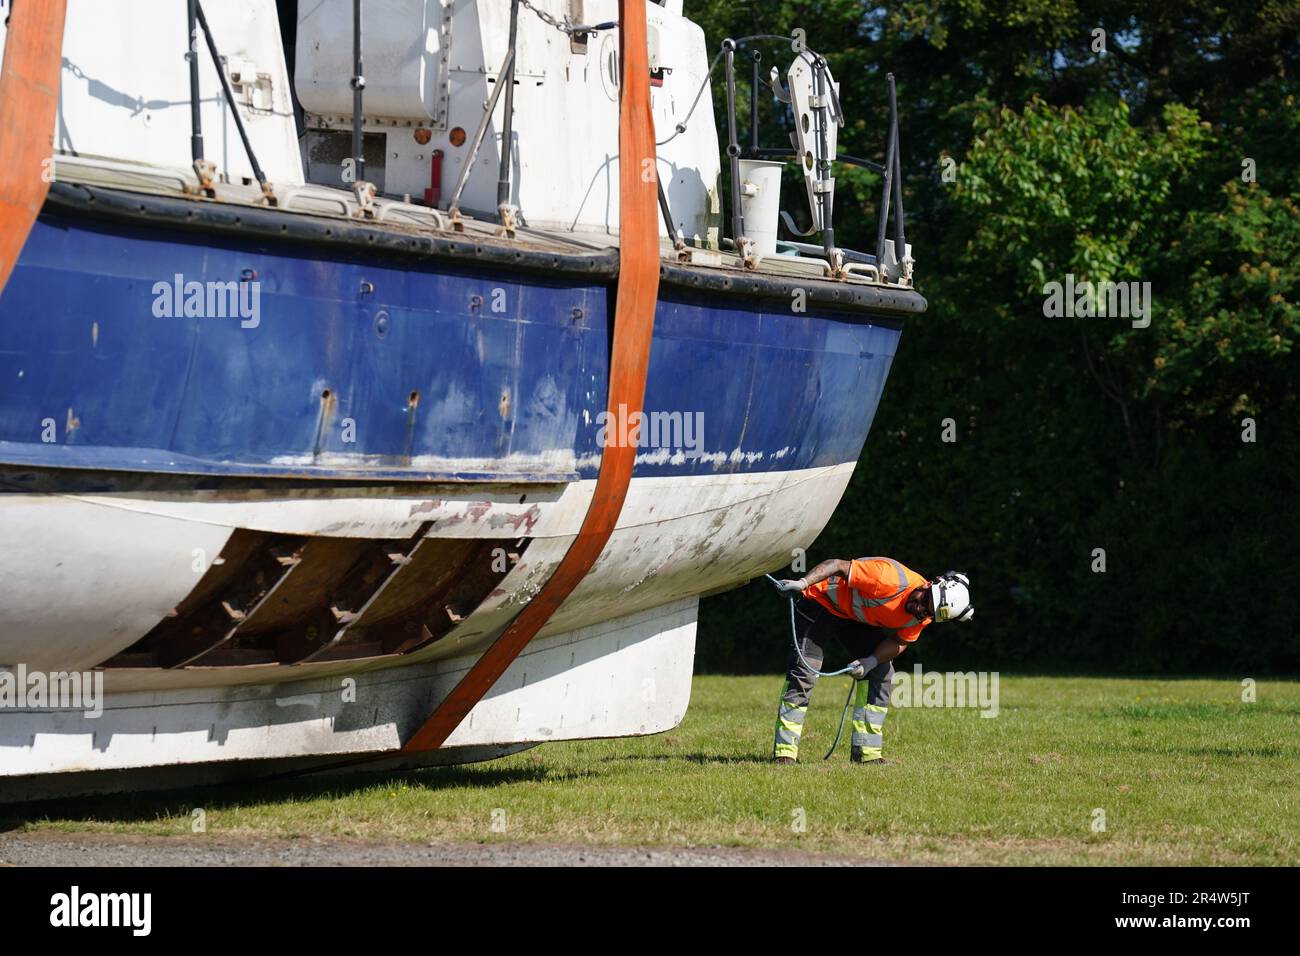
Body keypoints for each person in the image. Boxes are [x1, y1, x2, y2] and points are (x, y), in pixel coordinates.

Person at [770, 558, 973, 764]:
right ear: (929, 584)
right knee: (805, 672)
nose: (919, 609)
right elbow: (836, 565)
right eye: (924, 601)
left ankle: (866, 754)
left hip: (854, 618)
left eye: (928, 611)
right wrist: (803, 583)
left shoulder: (923, 616)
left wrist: (871, 662)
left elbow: (900, 641)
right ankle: (785, 752)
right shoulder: (889, 578)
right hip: (820, 602)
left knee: (881, 673)